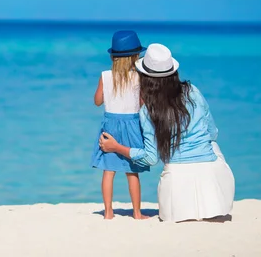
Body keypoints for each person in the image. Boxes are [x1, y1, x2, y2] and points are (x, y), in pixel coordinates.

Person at [100, 43, 235, 223]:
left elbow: (150, 158)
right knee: (212, 144)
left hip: (175, 197)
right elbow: (212, 133)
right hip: (218, 195)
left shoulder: (149, 110)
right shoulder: (193, 91)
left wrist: (117, 147)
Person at [91, 30, 149, 220]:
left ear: (113, 56)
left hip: (110, 124)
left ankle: (108, 212)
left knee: (109, 170)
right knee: (132, 172)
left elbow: (98, 101)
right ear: (135, 57)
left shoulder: (105, 76)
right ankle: (137, 213)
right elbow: (142, 102)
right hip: (131, 124)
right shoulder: (139, 77)